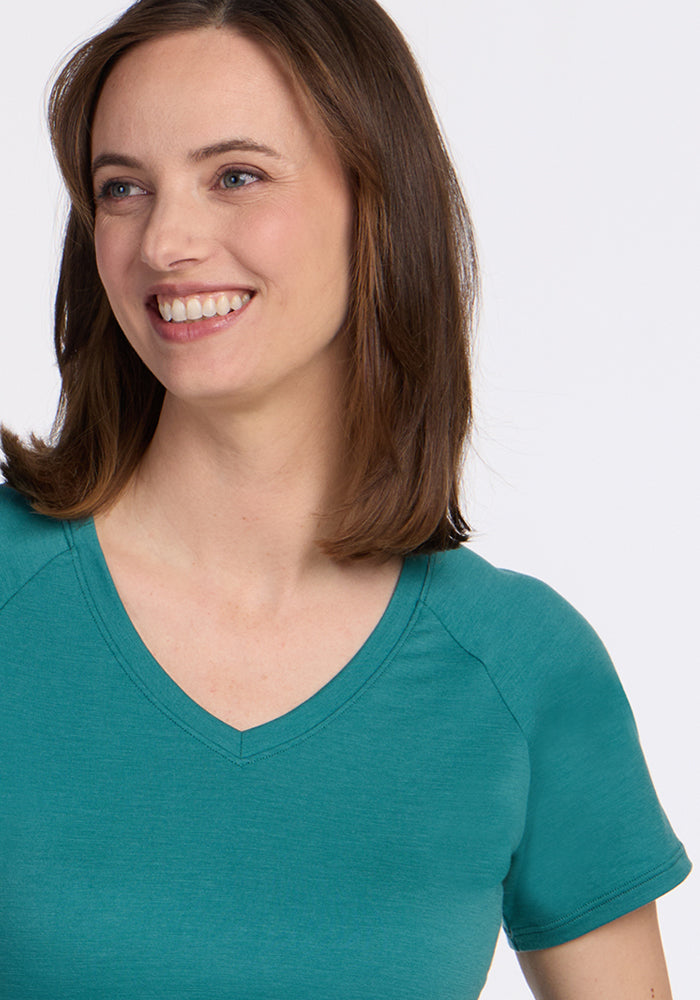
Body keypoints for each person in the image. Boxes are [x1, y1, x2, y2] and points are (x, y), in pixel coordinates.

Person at [0, 0, 690, 996]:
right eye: (122, 188)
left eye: (235, 176)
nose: (165, 242)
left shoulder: (521, 668)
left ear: (376, 200)